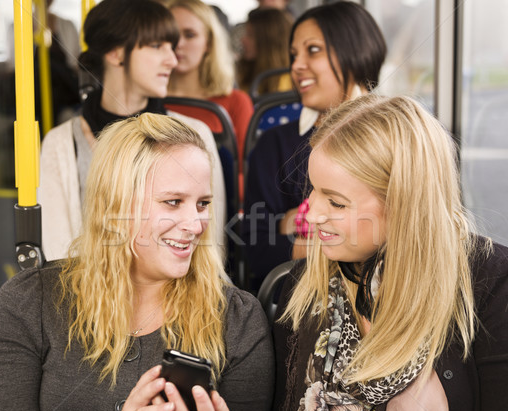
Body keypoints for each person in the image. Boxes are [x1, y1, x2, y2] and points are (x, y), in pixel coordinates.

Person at [0, 113, 274, 411]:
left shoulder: (239, 322)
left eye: (202, 204)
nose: (195, 225)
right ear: (115, 208)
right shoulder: (27, 305)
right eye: (173, 202)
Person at [269, 94, 508, 411]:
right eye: (313, 190)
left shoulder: (496, 282)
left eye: (336, 203)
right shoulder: (304, 284)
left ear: (403, 207)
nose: (313, 212)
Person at [38, 0, 226, 262]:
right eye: (157, 46)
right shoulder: (61, 144)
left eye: (171, 47)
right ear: (116, 53)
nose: (172, 60)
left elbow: (209, 247)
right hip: (90, 298)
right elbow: (60, 256)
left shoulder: (196, 134)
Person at [242, 1, 387, 292]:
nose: (296, 66)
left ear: (355, 52)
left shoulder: (396, 138)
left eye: (313, 50)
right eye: (294, 54)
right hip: (301, 294)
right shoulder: (273, 144)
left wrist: (294, 225)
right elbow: (256, 249)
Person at [165, 0, 253, 165]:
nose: (178, 44)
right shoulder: (146, 101)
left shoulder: (236, 102)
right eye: (171, 35)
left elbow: (243, 174)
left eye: (189, 35)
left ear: (209, 43)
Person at [236, 8, 294, 97]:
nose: (243, 40)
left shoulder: (291, 83)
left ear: (269, 42)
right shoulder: (243, 73)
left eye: (250, 35)